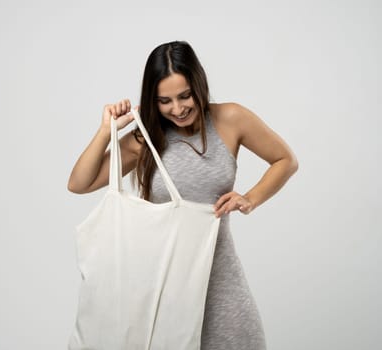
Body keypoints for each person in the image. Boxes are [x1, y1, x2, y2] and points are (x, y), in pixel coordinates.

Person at [67, 41, 298, 350]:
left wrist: (251, 197)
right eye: (165, 101)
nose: (177, 109)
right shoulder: (145, 138)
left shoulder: (231, 119)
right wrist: (105, 131)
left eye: (185, 95)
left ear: (198, 85)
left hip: (222, 286)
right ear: (153, 99)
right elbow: (79, 183)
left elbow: (285, 160)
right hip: (165, 292)